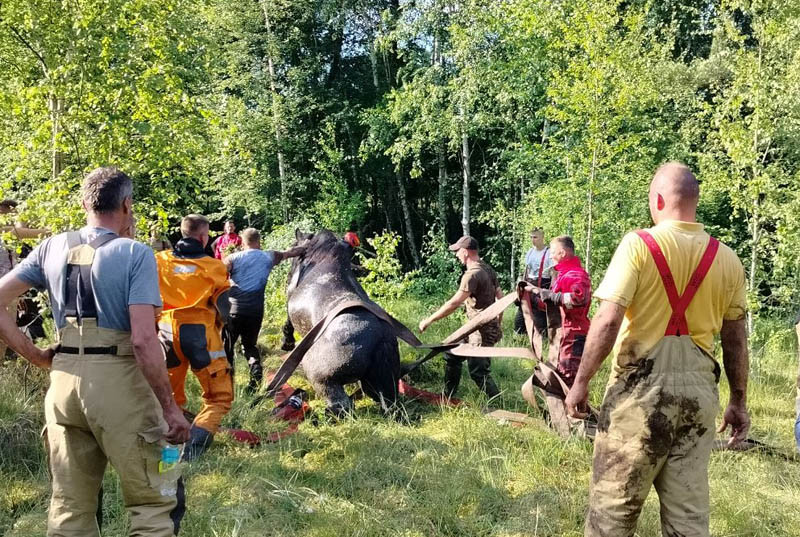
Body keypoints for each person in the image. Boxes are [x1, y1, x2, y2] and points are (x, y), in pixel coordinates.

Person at [0, 167, 191, 536]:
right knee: (153, 503)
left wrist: (36, 355)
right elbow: (143, 340)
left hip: (63, 383)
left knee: (70, 506)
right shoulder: (135, 253)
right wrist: (170, 407)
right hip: (119, 383)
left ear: (84, 203)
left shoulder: (51, 246)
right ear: (126, 204)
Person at [564, 162, 750, 537]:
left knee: (612, 514)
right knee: (688, 519)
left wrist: (580, 383)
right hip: (698, 396)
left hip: (639, 395)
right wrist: (738, 401)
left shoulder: (638, 246)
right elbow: (735, 339)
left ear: (659, 200)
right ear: (695, 200)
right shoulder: (727, 259)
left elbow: (608, 320)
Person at [156, 214, 233, 461]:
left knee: (169, 401)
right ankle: (192, 452)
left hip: (166, 334)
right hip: (202, 337)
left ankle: (167, 461)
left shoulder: (159, 261)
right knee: (219, 397)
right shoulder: (215, 267)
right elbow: (225, 309)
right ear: (203, 237)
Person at [419, 235, 502, 399]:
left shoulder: (472, 275)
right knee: (451, 353)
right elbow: (500, 297)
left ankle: (499, 402)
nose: (456, 255)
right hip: (474, 327)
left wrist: (429, 320)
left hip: (481, 331)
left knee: (479, 371)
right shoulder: (487, 269)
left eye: (457, 251)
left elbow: (454, 303)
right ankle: (448, 396)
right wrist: (498, 323)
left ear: (465, 252)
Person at [223, 228, 304, 393]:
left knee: (227, 346)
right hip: (255, 310)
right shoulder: (269, 256)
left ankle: (226, 382)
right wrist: (307, 246)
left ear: (243, 242)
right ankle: (255, 371)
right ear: (259, 241)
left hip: (234, 309)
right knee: (250, 345)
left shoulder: (232, 258)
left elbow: (218, 274)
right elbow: (290, 252)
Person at [530, 235, 591, 387]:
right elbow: (553, 305)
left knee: (569, 379)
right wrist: (532, 300)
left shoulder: (575, 274)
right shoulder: (563, 274)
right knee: (560, 376)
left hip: (574, 335)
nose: (550, 256)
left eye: (552, 252)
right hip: (563, 335)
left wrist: (553, 296)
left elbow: (579, 298)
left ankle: (572, 403)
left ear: (562, 253)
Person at [0, 200, 49, 357]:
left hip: (8, 292)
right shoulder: (7, 231)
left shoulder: (10, 239)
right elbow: (21, 231)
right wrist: (53, 231)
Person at [515, 228, 561, 361]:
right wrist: (520, 286)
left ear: (542, 238)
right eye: (531, 237)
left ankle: (541, 351)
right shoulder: (530, 252)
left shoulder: (548, 254)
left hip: (542, 286)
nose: (532, 240)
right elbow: (526, 270)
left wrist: (551, 292)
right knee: (520, 318)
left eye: (535, 237)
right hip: (527, 286)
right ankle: (519, 346)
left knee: (539, 321)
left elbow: (554, 274)